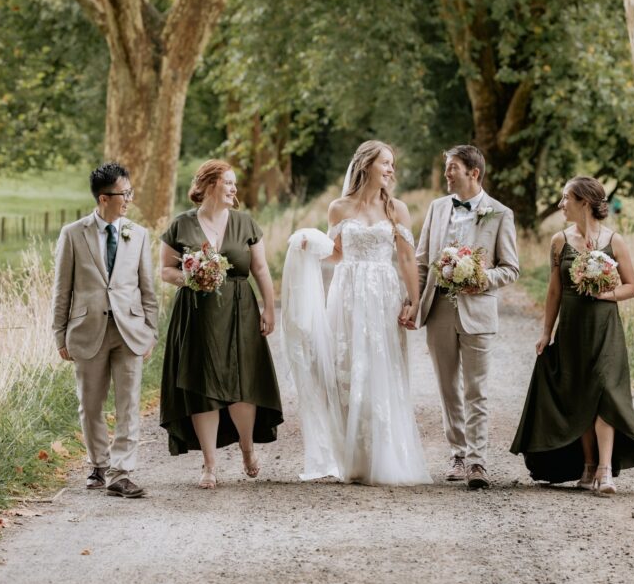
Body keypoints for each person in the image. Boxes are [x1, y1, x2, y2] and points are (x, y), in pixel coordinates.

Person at [281, 140, 431, 485]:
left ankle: (384, 456)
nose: (391, 170)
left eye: (392, 164)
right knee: (345, 370)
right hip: (347, 293)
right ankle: (355, 458)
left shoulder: (397, 209)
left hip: (382, 293)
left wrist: (414, 299)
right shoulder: (338, 208)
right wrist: (310, 247)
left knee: (380, 369)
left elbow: (407, 258)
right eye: (386, 163)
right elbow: (336, 253)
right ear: (366, 165)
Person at [510, 177, 634, 493]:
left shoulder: (616, 241)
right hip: (572, 328)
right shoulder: (559, 241)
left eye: (565, 198)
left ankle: (605, 470)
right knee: (579, 395)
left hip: (604, 327)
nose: (560, 204)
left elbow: (631, 286)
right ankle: (587, 465)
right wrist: (546, 332)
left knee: (605, 394)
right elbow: (554, 289)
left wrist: (605, 292)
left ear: (584, 202)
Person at [159, 160, 283, 489]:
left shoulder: (245, 223)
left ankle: (247, 450)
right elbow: (165, 271)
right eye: (227, 183)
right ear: (209, 185)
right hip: (196, 314)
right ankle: (210, 465)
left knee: (243, 384)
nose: (233, 189)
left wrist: (268, 308)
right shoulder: (181, 225)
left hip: (240, 309)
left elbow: (260, 270)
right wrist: (190, 277)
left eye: (234, 184)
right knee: (203, 387)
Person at [415, 145, 520, 489]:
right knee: (448, 388)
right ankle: (458, 453)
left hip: (478, 310)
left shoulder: (500, 213)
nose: (446, 174)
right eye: (447, 167)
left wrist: (482, 279)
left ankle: (478, 461)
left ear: (474, 173)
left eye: (452, 168)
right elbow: (420, 261)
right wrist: (412, 303)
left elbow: (511, 268)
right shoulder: (436, 208)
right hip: (440, 309)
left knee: (476, 389)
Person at [51, 162, 157, 498]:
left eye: (130, 192)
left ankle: (121, 472)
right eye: (122, 194)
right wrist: (59, 334)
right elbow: (61, 289)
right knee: (91, 403)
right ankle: (99, 463)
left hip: (130, 330)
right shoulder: (73, 234)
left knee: (128, 403)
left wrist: (150, 330)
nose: (128, 199)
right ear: (102, 198)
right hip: (86, 330)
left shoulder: (138, 234)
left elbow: (147, 289)